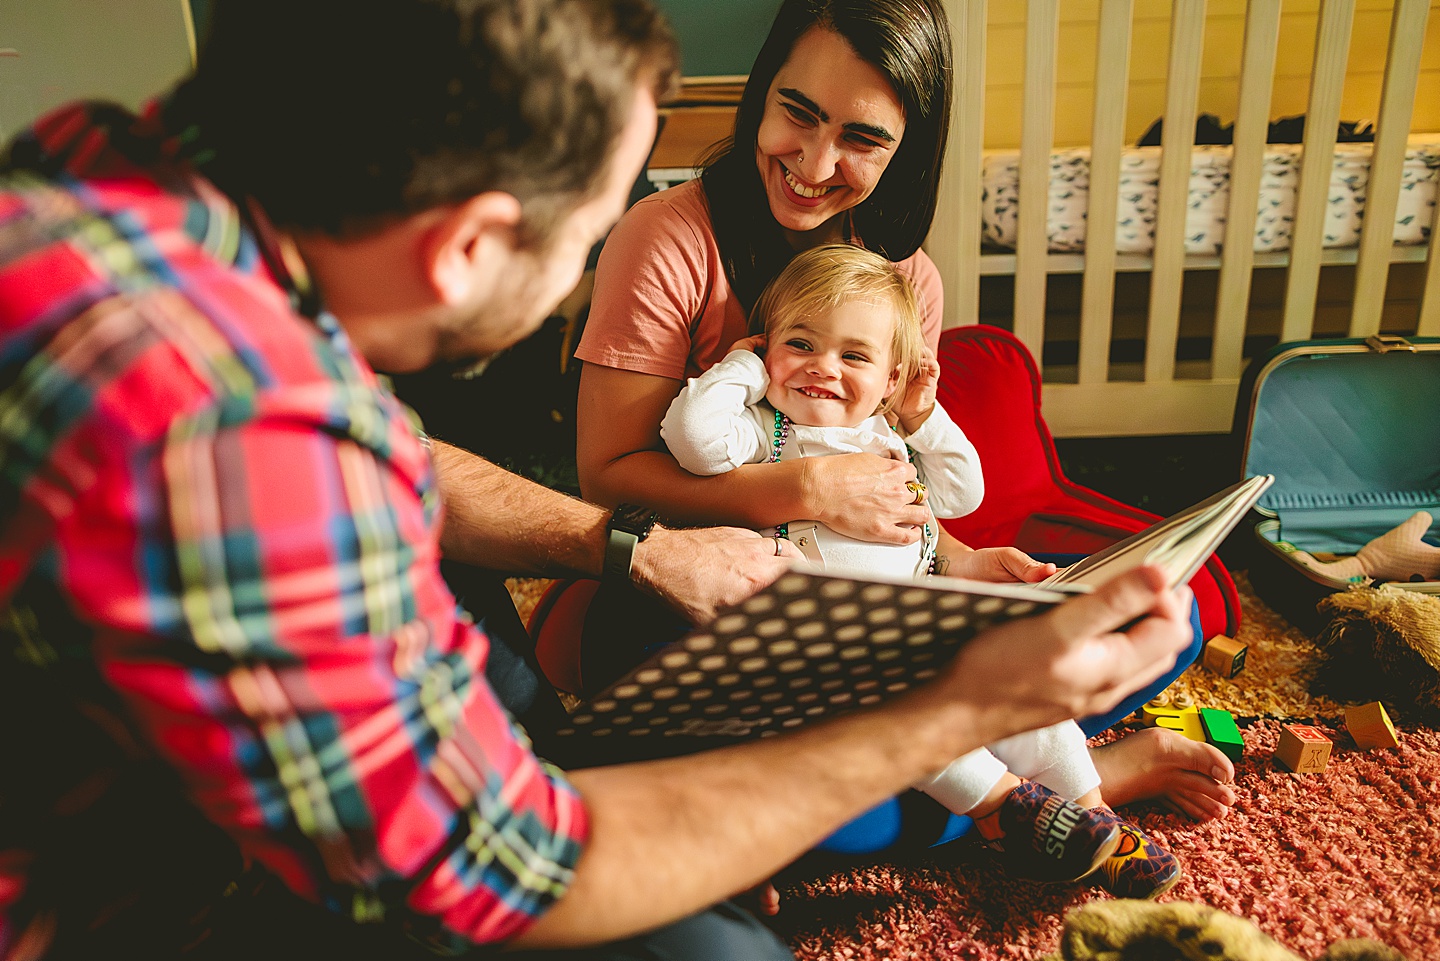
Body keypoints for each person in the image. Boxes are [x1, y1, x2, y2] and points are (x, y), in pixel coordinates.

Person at [0, 1, 1201, 960]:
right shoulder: (251, 442)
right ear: (465, 245)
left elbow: (394, 459)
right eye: (582, 237)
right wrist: (961, 709)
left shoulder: (99, 176)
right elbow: (509, 867)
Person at [574, 0, 1237, 831]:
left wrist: (959, 562)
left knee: (1155, 617)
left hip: (877, 610)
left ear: (905, 151)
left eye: (863, 139)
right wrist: (806, 487)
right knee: (789, 791)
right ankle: (1066, 776)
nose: (814, 163)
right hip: (691, 598)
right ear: (760, 96)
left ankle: (965, 777)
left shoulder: (908, 281)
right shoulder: (668, 239)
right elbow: (607, 476)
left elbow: (891, 477)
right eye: (798, 114)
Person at [660, 243, 1182, 900]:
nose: (823, 367)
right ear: (770, 348)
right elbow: (692, 437)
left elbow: (964, 494)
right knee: (915, 713)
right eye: (800, 343)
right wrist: (744, 365)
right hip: (830, 653)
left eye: (853, 356)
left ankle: (1093, 816)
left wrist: (921, 415)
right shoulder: (764, 431)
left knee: (1026, 700)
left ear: (889, 378)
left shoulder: (887, 435)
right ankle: (999, 808)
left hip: (920, 629)